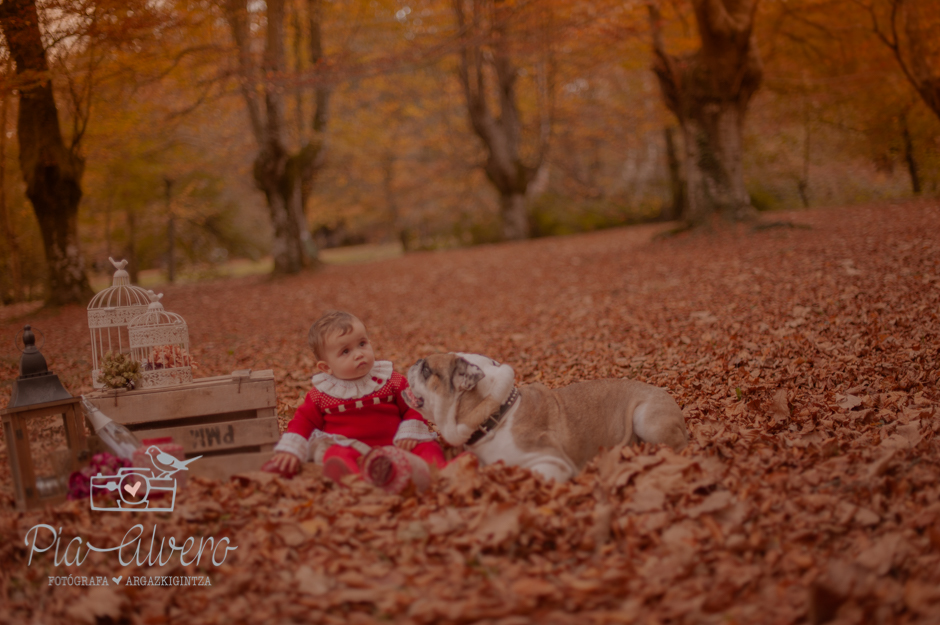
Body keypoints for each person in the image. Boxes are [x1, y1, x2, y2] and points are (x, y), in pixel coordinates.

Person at [263, 311, 445, 490]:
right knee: (336, 454)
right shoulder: (321, 395)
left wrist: (411, 427)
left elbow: (413, 404)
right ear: (326, 367)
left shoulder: (391, 380)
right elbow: (303, 421)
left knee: (427, 446)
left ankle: (440, 473)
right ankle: (352, 479)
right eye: (345, 351)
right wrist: (292, 449)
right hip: (352, 447)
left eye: (362, 344)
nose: (358, 354)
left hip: (398, 443)